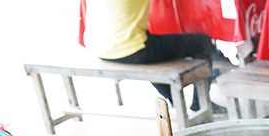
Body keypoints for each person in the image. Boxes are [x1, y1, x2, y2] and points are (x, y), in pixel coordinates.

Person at [82, 0, 226, 113]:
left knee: (156, 45)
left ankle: (173, 99)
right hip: (130, 49)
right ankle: (200, 103)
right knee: (202, 41)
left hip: (98, 48)